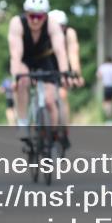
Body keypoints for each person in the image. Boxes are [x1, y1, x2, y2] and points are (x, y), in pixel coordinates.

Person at [8, 0, 70, 147]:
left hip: (43, 59)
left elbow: (60, 51)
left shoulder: (52, 24)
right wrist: (16, 76)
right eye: (32, 16)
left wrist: (64, 73)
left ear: (45, 16)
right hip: (24, 58)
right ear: (26, 14)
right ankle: (22, 123)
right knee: (22, 82)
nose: (35, 20)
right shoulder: (17, 23)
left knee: (50, 99)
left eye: (40, 17)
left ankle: (52, 134)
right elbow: (16, 54)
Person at [49, 9, 84, 137]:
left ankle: (64, 128)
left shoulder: (69, 33)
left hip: (61, 66)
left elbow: (73, 54)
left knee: (62, 95)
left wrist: (76, 74)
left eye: (62, 26)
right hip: (46, 63)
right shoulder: (43, 33)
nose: (59, 30)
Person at [96, 56, 112, 121]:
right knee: (111, 102)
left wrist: (103, 78)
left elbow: (98, 76)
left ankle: (107, 116)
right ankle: (110, 118)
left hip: (105, 86)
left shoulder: (102, 67)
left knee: (105, 102)